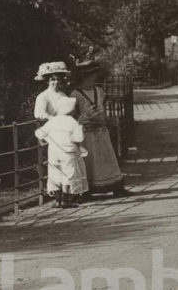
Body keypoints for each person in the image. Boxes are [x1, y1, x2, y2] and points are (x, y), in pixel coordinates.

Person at [71, 60, 129, 198]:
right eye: (88, 76)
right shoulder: (76, 95)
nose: (92, 78)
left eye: (93, 75)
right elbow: (72, 116)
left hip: (101, 131)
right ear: (82, 77)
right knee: (90, 159)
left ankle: (116, 186)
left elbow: (105, 106)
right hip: (86, 132)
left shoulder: (99, 91)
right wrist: (82, 120)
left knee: (107, 157)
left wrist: (107, 119)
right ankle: (88, 189)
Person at [35, 95, 88, 208]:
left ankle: (57, 200)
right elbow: (78, 138)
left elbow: (39, 132)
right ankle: (65, 199)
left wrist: (43, 142)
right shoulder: (72, 122)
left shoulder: (53, 121)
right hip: (67, 152)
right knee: (68, 174)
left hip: (54, 151)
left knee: (56, 173)